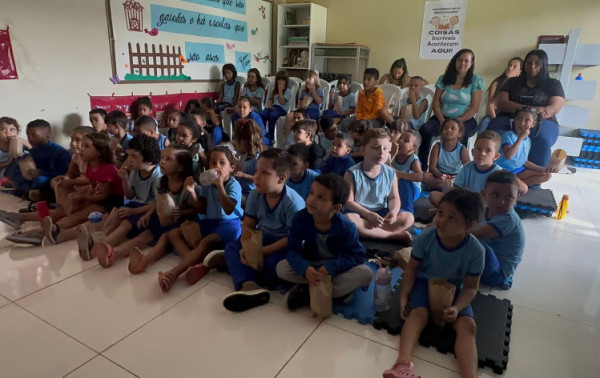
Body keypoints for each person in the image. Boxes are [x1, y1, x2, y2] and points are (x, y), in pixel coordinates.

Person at [383, 188, 485, 378]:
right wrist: (405, 295)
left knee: (468, 326)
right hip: (424, 283)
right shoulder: (426, 237)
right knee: (418, 315)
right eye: (440, 213)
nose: (441, 221)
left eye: (452, 218)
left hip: (453, 290)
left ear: (469, 225)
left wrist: (457, 307)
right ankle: (402, 364)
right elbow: (412, 268)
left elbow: (471, 287)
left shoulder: (476, 251)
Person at [150, 146, 243, 293]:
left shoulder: (233, 185)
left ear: (231, 167)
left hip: (228, 224)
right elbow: (202, 208)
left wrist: (220, 187)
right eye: (213, 163)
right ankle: (195, 264)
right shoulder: (207, 185)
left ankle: (174, 273)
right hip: (209, 221)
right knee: (173, 234)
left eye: (221, 163)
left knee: (206, 242)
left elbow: (228, 208)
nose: (216, 167)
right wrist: (193, 193)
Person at [222, 148, 305, 312]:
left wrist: (262, 252)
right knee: (232, 248)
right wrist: (249, 248)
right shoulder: (255, 194)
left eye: (264, 173)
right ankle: (248, 285)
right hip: (262, 239)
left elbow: (291, 239)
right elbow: (247, 225)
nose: (257, 177)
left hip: (284, 245)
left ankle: (245, 272)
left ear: (281, 178)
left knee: (276, 265)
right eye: (256, 171)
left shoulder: (292, 203)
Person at [276, 173, 373, 310]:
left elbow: (357, 256)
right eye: (311, 193)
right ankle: (334, 293)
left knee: (366, 274)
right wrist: (305, 269)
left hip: (335, 269)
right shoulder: (301, 218)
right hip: (312, 264)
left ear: (336, 207)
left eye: (321, 197)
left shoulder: (346, 227)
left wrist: (332, 266)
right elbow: (293, 251)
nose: (311, 199)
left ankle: (307, 291)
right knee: (281, 268)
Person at [96, 146, 196, 270]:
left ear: (180, 167)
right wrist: (148, 214)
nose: (162, 161)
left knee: (160, 238)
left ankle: (144, 261)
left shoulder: (188, 184)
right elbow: (158, 203)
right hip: (163, 218)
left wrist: (182, 212)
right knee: (145, 231)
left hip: (181, 220)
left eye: (168, 159)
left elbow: (195, 209)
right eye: (162, 157)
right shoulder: (161, 182)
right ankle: (112, 255)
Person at [77, 134, 161, 261]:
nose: (129, 160)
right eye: (129, 155)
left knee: (125, 225)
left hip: (149, 211)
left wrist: (133, 211)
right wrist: (125, 180)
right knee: (114, 215)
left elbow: (157, 204)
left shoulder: (157, 177)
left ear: (148, 160)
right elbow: (130, 195)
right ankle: (100, 239)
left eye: (134, 156)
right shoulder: (135, 170)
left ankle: (96, 248)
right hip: (136, 206)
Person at [41, 132, 124, 245]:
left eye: (86, 146)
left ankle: (52, 232)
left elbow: (105, 196)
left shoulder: (107, 170)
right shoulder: (90, 167)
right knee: (68, 211)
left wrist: (83, 197)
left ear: (99, 152)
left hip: (112, 203)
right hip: (99, 199)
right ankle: (46, 230)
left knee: (73, 218)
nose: (81, 149)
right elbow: (93, 186)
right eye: (82, 145)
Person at [488, 49, 565, 166]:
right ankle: (492, 171)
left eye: (537, 63)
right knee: (493, 134)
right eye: (529, 63)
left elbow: (555, 106)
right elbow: (501, 102)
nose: (532, 66)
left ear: (543, 65)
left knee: (542, 138)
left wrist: (538, 113)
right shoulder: (512, 82)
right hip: (509, 118)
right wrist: (529, 110)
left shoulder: (553, 84)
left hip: (542, 120)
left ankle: (534, 180)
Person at [418, 49, 484, 169]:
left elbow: (474, 107)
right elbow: (436, 103)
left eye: (466, 61)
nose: (462, 63)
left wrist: (456, 123)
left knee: (461, 134)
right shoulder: (444, 78)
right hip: (441, 117)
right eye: (459, 60)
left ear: (471, 63)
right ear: (454, 61)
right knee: (425, 130)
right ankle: (423, 169)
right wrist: (444, 122)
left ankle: (458, 172)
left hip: (465, 119)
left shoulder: (475, 80)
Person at [344, 128, 413, 243]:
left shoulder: (391, 173)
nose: (382, 152)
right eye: (376, 148)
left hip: (382, 215)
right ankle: (390, 236)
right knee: (349, 220)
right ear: (363, 150)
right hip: (361, 214)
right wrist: (367, 214)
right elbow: (349, 202)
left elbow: (394, 197)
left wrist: (394, 212)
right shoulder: (351, 173)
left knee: (408, 218)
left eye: (385, 148)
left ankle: (372, 232)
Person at [470, 171, 524, 290]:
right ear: (484, 195)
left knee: (475, 244)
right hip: (489, 264)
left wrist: (445, 227)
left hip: (499, 274)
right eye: (495, 195)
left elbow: (475, 234)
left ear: (516, 198)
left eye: (509, 197)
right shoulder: (487, 210)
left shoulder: (508, 218)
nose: (502, 202)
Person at [2, 119, 70, 194]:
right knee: (15, 169)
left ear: (47, 136)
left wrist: (41, 173)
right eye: (28, 135)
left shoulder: (59, 152)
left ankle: (32, 192)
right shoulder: (34, 149)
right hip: (33, 177)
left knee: (40, 180)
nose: (30, 139)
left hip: (49, 178)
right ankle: (26, 190)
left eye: (34, 135)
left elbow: (65, 173)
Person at [495, 106, 553, 188]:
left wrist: (543, 169)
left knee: (547, 175)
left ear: (533, 124)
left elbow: (524, 162)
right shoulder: (508, 135)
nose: (522, 123)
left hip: (518, 171)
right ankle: (515, 187)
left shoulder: (528, 140)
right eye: (519, 119)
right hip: (503, 171)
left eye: (527, 120)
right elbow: (508, 156)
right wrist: (521, 138)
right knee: (524, 188)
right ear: (514, 121)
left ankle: (513, 187)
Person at [422, 118, 470, 192]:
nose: (448, 130)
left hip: (454, 178)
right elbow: (432, 168)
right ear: (441, 133)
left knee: (461, 183)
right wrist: (441, 175)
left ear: (459, 134)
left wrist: (457, 177)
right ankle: (446, 188)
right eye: (445, 128)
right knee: (425, 176)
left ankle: (446, 188)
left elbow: (468, 168)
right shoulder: (437, 147)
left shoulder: (462, 149)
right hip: (439, 176)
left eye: (452, 128)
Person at [479, 57, 523, 131]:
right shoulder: (497, 83)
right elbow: (490, 105)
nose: (510, 68)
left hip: (511, 117)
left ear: (520, 72)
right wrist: (495, 119)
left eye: (514, 67)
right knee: (485, 123)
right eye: (509, 65)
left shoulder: (520, 87)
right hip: (494, 115)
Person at [389, 129, 423, 215]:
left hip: (411, 190)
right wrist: (392, 154)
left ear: (412, 149)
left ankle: (407, 211)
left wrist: (398, 174)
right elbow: (386, 167)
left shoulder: (413, 160)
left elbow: (420, 176)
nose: (400, 141)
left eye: (406, 140)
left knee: (404, 181)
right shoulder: (393, 153)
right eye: (400, 138)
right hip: (395, 187)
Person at [232, 119, 264, 202]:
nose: (238, 144)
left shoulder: (256, 158)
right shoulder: (241, 155)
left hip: (251, 194)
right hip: (240, 190)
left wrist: (243, 175)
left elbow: (261, 179)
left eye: (239, 141)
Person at [260, 70, 292, 145]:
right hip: (273, 107)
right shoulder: (274, 89)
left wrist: (280, 91)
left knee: (272, 116)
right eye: (279, 79)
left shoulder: (288, 91)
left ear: (286, 81)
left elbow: (282, 102)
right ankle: (264, 134)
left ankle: (271, 138)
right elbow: (270, 99)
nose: (280, 81)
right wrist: (270, 106)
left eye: (283, 80)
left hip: (282, 109)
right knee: (262, 114)